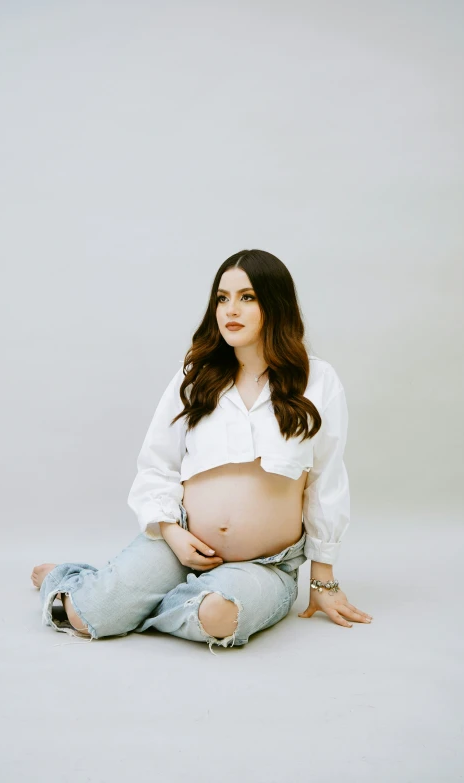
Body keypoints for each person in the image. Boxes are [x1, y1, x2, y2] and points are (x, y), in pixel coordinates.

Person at [31, 249, 373, 654]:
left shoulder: (317, 380)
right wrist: (172, 534)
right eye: (222, 298)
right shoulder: (195, 377)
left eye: (248, 297)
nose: (231, 309)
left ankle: (131, 598)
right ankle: (84, 585)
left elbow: (327, 480)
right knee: (86, 616)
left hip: (263, 564)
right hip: (180, 544)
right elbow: (157, 465)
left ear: (275, 304)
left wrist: (323, 581)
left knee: (218, 618)